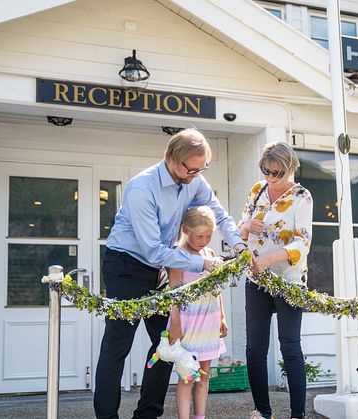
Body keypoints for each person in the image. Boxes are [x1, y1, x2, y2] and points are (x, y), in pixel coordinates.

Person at [94, 128, 246, 419]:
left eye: (203, 168)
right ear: (174, 160)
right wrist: (204, 264)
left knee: (168, 342)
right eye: (193, 168)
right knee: (118, 344)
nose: (197, 174)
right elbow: (152, 250)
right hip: (126, 265)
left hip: (159, 267)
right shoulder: (142, 188)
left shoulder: (194, 179)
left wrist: (237, 242)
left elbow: (218, 212)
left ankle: (147, 414)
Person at [239, 142, 313, 419]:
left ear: (290, 169)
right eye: (265, 170)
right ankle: (262, 412)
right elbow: (240, 228)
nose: (270, 177)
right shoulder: (256, 191)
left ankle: (297, 414)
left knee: (290, 346)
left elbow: (302, 242)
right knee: (254, 348)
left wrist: (268, 260)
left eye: (276, 173)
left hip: (289, 280)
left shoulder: (301, 197)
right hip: (256, 279)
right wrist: (246, 226)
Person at [166, 206, 228, 419]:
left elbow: (215, 289)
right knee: (187, 377)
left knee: (203, 376)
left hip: (209, 323)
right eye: (199, 236)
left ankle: (200, 417)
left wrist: (222, 317)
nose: (203, 241)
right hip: (188, 325)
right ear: (185, 229)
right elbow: (173, 293)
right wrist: (175, 324)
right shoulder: (178, 256)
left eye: (208, 236)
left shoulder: (210, 255)